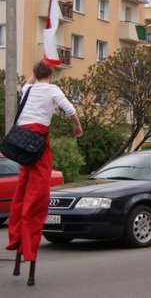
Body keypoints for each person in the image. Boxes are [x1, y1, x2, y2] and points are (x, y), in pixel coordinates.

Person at [5, 61, 83, 285]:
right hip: (38, 143)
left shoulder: (29, 88)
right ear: (50, 75)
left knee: (22, 192)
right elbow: (70, 110)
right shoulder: (52, 89)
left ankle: (17, 239)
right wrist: (77, 126)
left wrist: (43, 64)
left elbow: (29, 81)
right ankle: (28, 247)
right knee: (37, 198)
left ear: (36, 73)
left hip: (22, 143)